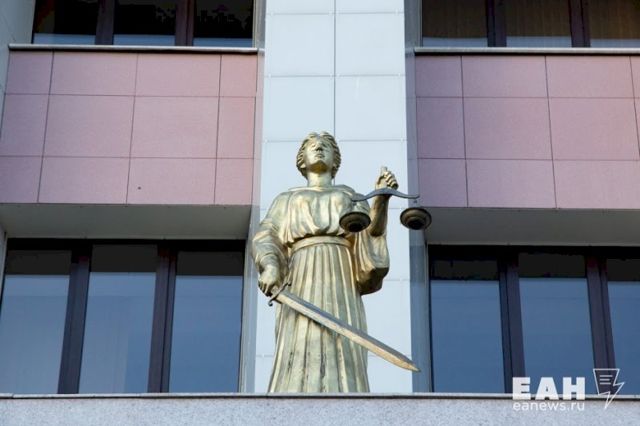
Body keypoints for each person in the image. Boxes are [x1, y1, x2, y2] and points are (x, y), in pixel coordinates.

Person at [251, 131, 397, 392]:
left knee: (342, 338)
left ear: (335, 160)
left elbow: (370, 233)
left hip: (340, 274)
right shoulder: (287, 199)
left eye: (326, 146)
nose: (319, 148)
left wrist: (381, 200)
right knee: (300, 337)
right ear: (302, 160)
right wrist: (270, 265)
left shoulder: (350, 197)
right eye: (312, 146)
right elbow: (266, 236)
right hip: (301, 274)